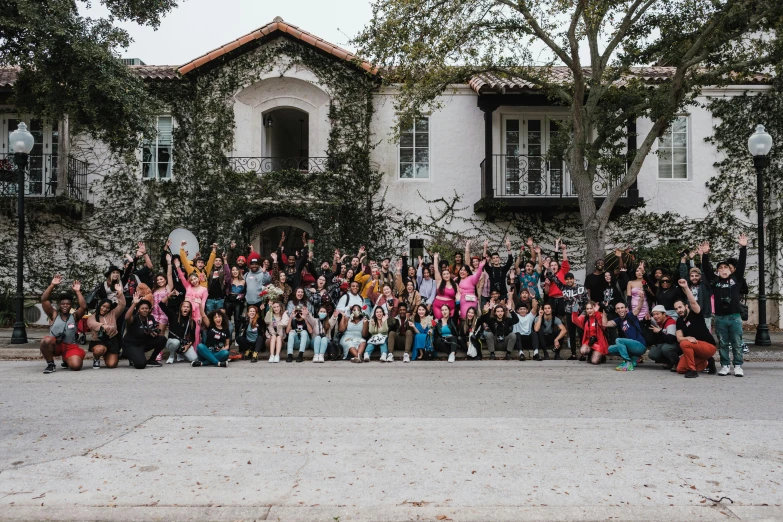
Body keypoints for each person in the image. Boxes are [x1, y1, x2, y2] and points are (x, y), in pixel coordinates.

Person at [703, 235, 747, 377]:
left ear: (730, 270)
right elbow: (706, 269)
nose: (723, 270)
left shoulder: (735, 279)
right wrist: (705, 254)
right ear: (718, 271)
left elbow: (741, 265)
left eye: (726, 267)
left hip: (734, 317)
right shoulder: (715, 282)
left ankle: (738, 366)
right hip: (720, 317)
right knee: (722, 342)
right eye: (720, 268)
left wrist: (743, 248)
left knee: (737, 342)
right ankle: (725, 365)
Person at [40, 275, 88, 373]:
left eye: (68, 304)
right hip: (56, 345)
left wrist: (78, 291)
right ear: (59, 305)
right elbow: (44, 300)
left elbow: (83, 307)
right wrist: (52, 285)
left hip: (70, 346)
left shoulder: (74, 316)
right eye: (63, 304)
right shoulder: (53, 314)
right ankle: (51, 364)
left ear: (71, 305)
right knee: (46, 340)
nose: (65, 306)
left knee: (76, 366)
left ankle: (66, 359)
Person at [674, 278, 718, 378]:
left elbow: (693, 302)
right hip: (694, 348)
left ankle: (692, 370)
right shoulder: (679, 321)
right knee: (680, 369)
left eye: (680, 307)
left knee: (684, 344)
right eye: (676, 309)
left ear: (686, 306)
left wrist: (685, 287)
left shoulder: (695, 313)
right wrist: (687, 338)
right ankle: (707, 362)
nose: (678, 310)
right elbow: (679, 337)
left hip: (708, 346)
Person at [123, 292, 167, 369]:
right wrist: (134, 304)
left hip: (143, 343)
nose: (144, 310)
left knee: (162, 339)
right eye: (142, 308)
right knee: (140, 365)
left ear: (149, 310)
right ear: (138, 310)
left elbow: (151, 330)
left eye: (146, 308)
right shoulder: (134, 318)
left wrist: (154, 333)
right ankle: (131, 356)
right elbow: (127, 318)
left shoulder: (150, 318)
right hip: (131, 344)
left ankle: (152, 360)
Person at [86, 285, 126, 369]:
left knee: (112, 365)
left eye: (107, 308)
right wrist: (102, 326)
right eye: (103, 306)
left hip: (112, 340)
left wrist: (120, 292)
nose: (105, 309)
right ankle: (96, 359)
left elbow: (122, 305)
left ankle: (107, 355)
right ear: (100, 305)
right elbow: (91, 323)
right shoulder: (93, 316)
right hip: (99, 341)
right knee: (99, 350)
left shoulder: (113, 313)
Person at [603, 302, 648, 371]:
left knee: (619, 340)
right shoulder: (618, 320)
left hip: (640, 345)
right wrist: (604, 311)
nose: (620, 310)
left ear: (626, 309)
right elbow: (605, 324)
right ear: (616, 311)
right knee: (610, 349)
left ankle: (628, 362)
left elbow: (639, 308)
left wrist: (641, 297)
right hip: (631, 347)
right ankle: (634, 358)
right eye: (618, 308)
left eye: (622, 307)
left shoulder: (630, 315)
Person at [175, 257, 208, 349]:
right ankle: (185, 351)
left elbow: (204, 303)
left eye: (195, 278)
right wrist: (178, 268)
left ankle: (196, 352)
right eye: (192, 280)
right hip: (187, 313)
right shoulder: (188, 287)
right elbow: (182, 278)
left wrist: (201, 316)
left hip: (197, 314)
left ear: (198, 278)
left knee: (196, 333)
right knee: (186, 332)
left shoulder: (204, 290)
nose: (194, 281)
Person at [679, 246, 713, 331]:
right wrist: (683, 259)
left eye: (697, 276)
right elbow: (683, 273)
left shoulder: (705, 285)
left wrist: (702, 256)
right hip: (691, 314)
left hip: (704, 314)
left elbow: (704, 270)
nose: (694, 278)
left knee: (706, 336)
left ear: (700, 276)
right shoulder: (687, 285)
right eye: (692, 276)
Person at [159, 295, 198, 364]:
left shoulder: (191, 322)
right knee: (175, 342)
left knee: (194, 358)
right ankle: (171, 356)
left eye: (188, 307)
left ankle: (180, 353)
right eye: (184, 306)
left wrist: (187, 346)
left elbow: (192, 338)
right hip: (171, 342)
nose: (186, 308)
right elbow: (161, 304)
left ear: (190, 309)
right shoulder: (173, 316)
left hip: (181, 344)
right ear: (181, 308)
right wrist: (170, 294)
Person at [456, 240, 487, 319]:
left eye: (464, 270)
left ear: (467, 272)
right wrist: (467, 248)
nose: (462, 272)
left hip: (471, 300)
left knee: (471, 316)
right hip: (460, 301)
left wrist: (480, 267)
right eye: (461, 270)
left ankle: (472, 330)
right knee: (462, 316)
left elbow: (477, 276)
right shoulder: (456, 279)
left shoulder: (471, 278)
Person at [561, 272, 587, 360]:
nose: (569, 281)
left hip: (580, 314)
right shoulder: (564, 288)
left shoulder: (581, 288)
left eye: (570, 279)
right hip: (569, 314)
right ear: (565, 280)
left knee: (581, 334)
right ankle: (573, 354)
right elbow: (555, 279)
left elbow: (587, 300)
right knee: (571, 334)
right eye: (567, 279)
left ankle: (583, 354)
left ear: (573, 279)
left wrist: (584, 313)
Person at [647, 305, 680, 370]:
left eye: (657, 314)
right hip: (666, 342)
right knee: (652, 354)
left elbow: (671, 339)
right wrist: (646, 319)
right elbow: (650, 321)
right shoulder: (657, 320)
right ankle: (669, 362)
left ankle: (678, 364)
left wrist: (659, 332)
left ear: (664, 314)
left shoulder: (671, 322)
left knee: (666, 348)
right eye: (654, 315)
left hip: (675, 344)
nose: (655, 316)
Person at [225, 265, 246, 334]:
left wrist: (241, 296)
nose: (235, 271)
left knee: (237, 319)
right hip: (229, 300)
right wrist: (225, 260)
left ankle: (237, 336)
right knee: (227, 318)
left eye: (236, 270)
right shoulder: (229, 280)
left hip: (238, 302)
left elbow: (245, 292)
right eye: (233, 270)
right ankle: (228, 336)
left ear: (239, 271)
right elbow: (227, 272)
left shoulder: (243, 281)